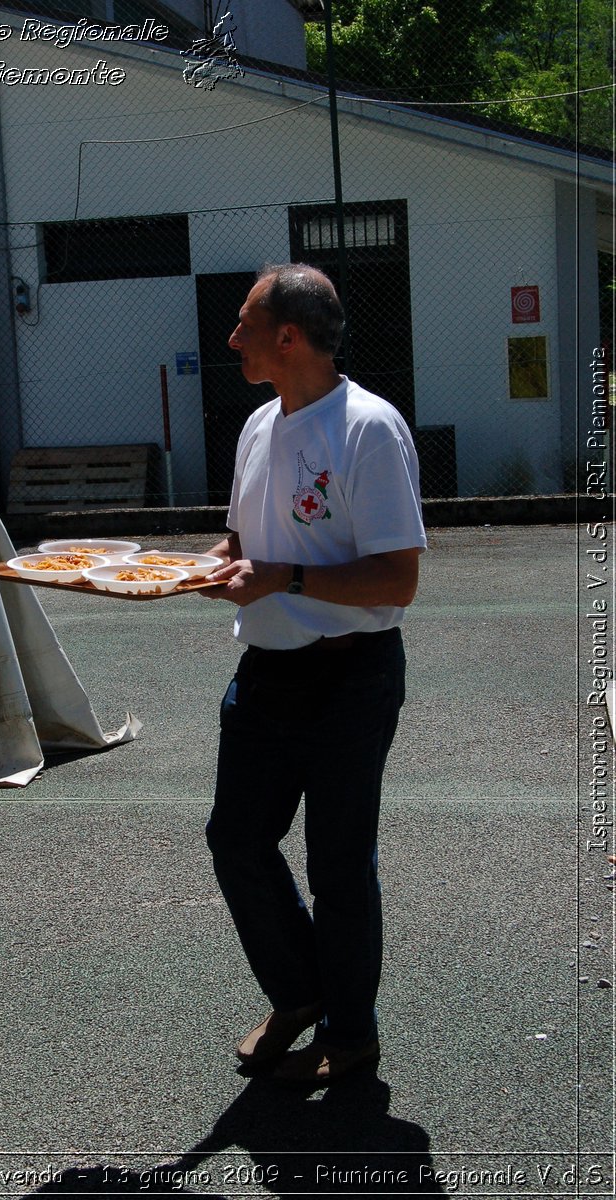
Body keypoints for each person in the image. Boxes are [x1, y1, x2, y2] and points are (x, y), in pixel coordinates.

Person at [201, 263, 427, 1087]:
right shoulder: (258, 426)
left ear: (287, 336)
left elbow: (398, 580)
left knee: (338, 866)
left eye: (244, 325)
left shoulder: (369, 428)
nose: (233, 340)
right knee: (236, 841)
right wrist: (180, 571)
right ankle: (299, 995)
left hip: (350, 676)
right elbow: (238, 548)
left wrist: (286, 579)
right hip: (264, 672)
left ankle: (351, 1032)